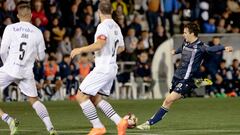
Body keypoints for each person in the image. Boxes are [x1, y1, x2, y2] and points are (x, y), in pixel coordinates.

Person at [136, 22, 233, 130]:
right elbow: (182, 48)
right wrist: (175, 52)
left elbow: (211, 49)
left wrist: (224, 48)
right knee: (170, 100)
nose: (183, 34)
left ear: (192, 34)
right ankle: (195, 84)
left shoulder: (200, 47)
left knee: (168, 100)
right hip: (177, 76)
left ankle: (148, 123)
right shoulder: (186, 43)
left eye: (185, 32)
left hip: (185, 78)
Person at [70, 1, 128, 135]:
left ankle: (98, 127)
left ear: (99, 12)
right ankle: (120, 122)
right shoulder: (116, 26)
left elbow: (99, 44)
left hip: (103, 68)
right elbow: (121, 48)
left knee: (81, 96)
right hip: (111, 67)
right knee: (96, 99)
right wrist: (103, 56)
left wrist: (80, 49)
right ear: (112, 12)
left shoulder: (103, 26)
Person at [0, 1, 57, 135]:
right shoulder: (37, 32)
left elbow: (2, 51)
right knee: (34, 101)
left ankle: (9, 120)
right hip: (26, 72)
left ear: (18, 16)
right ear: (31, 15)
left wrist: (7, 64)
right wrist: (36, 56)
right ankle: (51, 128)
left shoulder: (10, 28)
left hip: (9, 69)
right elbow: (42, 57)